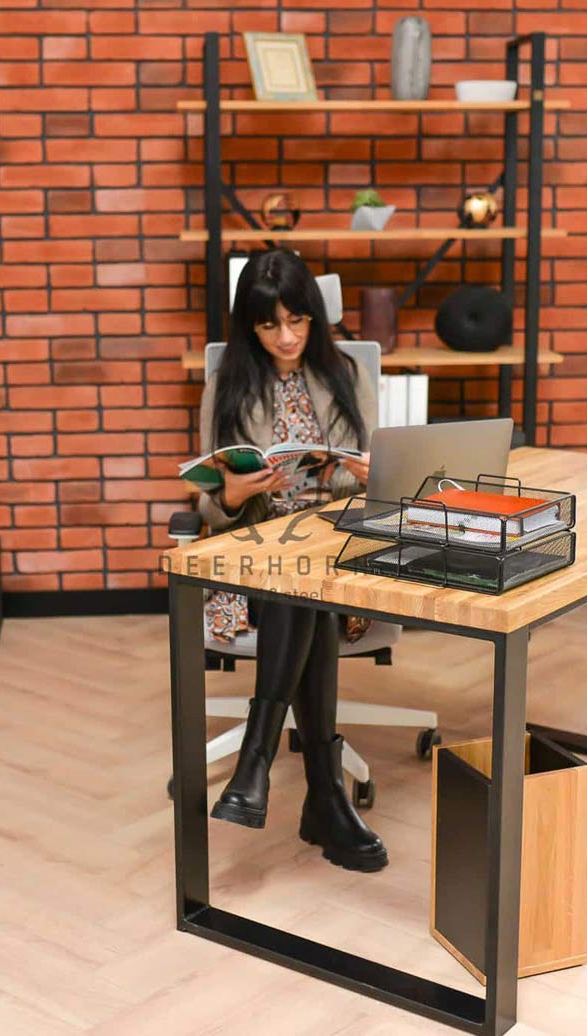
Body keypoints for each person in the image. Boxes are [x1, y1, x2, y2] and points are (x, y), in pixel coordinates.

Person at [195, 248, 387, 872]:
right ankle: (325, 797)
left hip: (332, 552)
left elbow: (380, 484)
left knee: (304, 581)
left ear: (316, 317)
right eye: (270, 325)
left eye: (298, 322)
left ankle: (257, 763)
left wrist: (361, 474)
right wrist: (234, 492)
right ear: (249, 327)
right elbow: (210, 504)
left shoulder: (348, 378)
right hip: (253, 561)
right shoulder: (226, 385)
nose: (286, 337)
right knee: (295, 585)